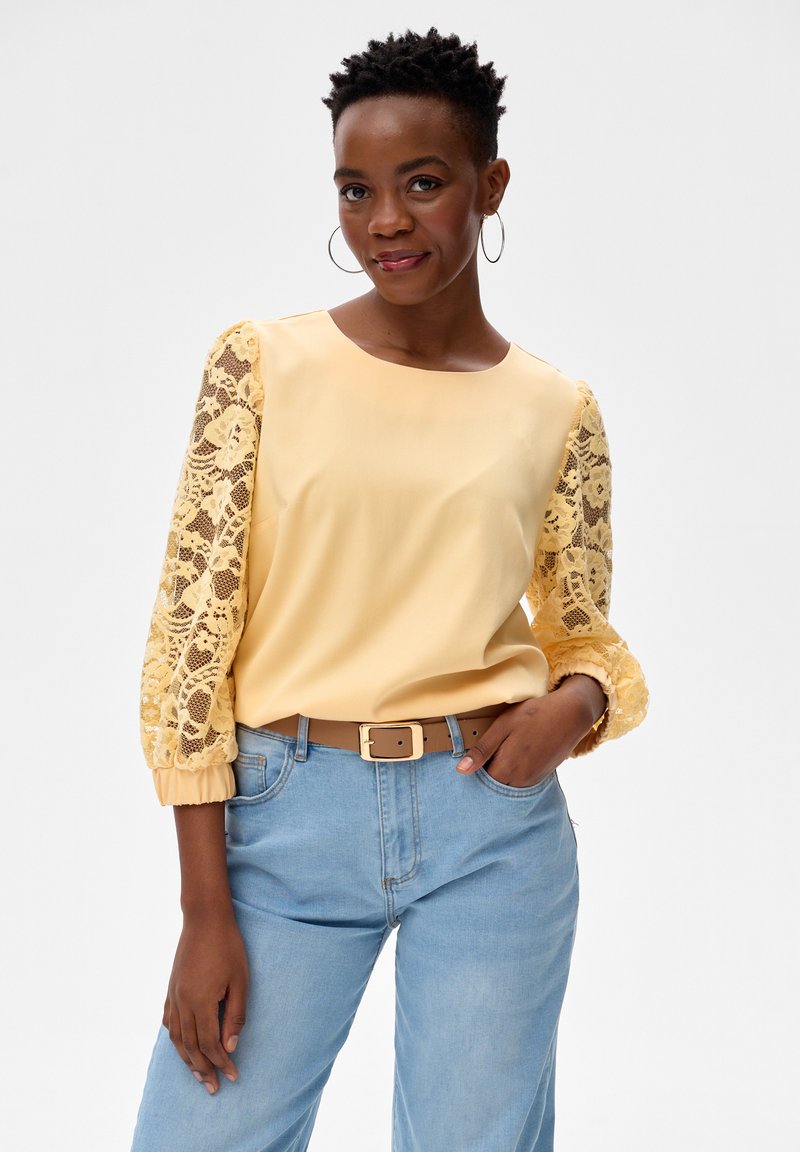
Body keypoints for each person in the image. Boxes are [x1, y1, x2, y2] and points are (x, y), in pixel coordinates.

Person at [130, 26, 648, 1152]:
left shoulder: (557, 410)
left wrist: (576, 705)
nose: (384, 222)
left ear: (489, 185)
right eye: (356, 189)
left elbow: (581, 632)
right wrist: (203, 909)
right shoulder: (260, 365)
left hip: (489, 826)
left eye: (422, 183)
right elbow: (189, 641)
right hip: (283, 814)